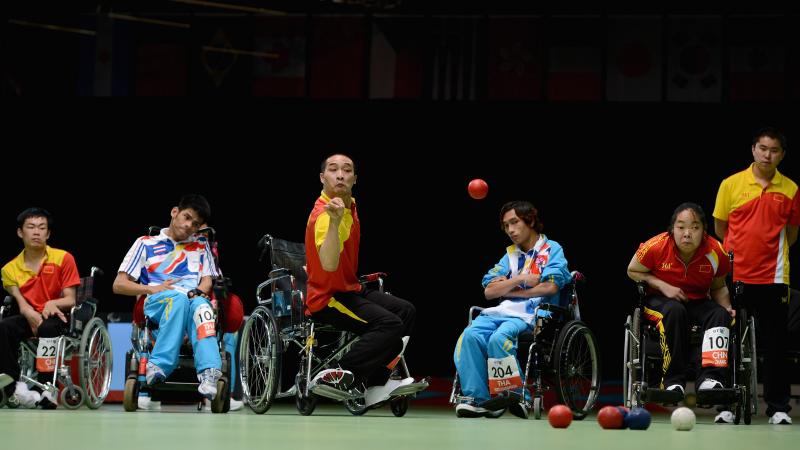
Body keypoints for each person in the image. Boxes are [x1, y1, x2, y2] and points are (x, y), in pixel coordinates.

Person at [304, 153, 417, 408]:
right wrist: (334, 222)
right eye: (333, 170)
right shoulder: (323, 214)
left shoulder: (351, 205)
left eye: (347, 170)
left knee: (406, 311)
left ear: (355, 179)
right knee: (389, 324)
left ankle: (376, 383)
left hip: (350, 288)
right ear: (323, 177)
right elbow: (329, 264)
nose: (340, 174)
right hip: (327, 297)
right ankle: (337, 373)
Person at [713, 126, 799, 425]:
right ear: (753, 150)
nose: (767, 154)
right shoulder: (731, 184)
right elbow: (720, 228)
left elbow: (791, 233)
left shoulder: (790, 189)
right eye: (763, 148)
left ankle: (777, 408)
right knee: (729, 338)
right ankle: (726, 403)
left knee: (777, 344)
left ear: (782, 155)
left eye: (774, 150)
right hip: (736, 275)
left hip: (774, 277)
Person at [453, 201, 571, 419]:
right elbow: (490, 291)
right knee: (469, 336)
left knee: (499, 339)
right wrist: (522, 279)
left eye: (514, 222)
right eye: (506, 226)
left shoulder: (552, 249)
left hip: (533, 315)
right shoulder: (509, 256)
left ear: (531, 220)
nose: (510, 230)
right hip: (502, 311)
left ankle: (517, 396)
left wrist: (508, 288)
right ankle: (480, 400)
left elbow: (551, 286)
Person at [112, 194, 223, 402]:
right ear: (174, 212)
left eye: (195, 224)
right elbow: (118, 285)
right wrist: (151, 288)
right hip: (158, 301)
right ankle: (161, 363)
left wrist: (198, 293)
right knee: (177, 299)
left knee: (203, 307)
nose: (189, 225)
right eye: (187, 217)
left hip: (190, 301)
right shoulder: (145, 243)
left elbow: (207, 282)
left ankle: (209, 373)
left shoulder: (201, 245)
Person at [627, 203, 734, 415]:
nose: (687, 233)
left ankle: (711, 380)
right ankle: (672, 382)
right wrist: (663, 285)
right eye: (681, 227)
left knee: (719, 314)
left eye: (694, 227)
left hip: (697, 301)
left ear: (704, 231)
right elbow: (632, 271)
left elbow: (719, 286)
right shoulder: (655, 246)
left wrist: (727, 307)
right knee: (675, 311)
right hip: (659, 301)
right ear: (672, 230)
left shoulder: (716, 252)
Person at [0, 207, 80, 409]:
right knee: (4, 327)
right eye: (31, 227)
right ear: (20, 232)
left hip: (58, 317)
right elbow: (19, 300)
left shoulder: (64, 258)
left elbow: (70, 299)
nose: (36, 232)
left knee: (47, 328)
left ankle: (47, 387)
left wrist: (52, 303)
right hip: (29, 316)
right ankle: (11, 386)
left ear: (48, 233)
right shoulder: (9, 269)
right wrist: (28, 313)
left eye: (41, 228)